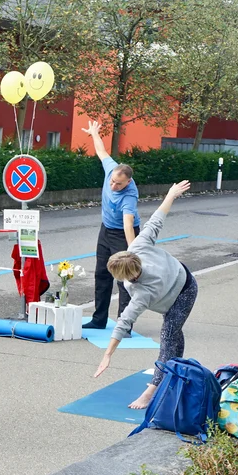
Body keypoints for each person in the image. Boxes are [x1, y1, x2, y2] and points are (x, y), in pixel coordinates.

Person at [93, 181, 195, 409]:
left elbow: (124, 321)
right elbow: (158, 218)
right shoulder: (138, 246)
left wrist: (108, 354)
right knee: (174, 337)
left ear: (125, 277)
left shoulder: (141, 292)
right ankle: (174, 373)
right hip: (174, 278)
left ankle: (151, 391)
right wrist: (170, 194)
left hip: (185, 289)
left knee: (168, 334)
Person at [81, 120, 141, 333]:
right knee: (101, 273)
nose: (113, 186)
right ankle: (99, 319)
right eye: (113, 182)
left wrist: (132, 251)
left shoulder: (129, 197)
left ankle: (124, 325)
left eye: (118, 184)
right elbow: (101, 151)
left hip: (124, 235)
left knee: (124, 279)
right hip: (106, 229)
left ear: (127, 182)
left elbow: (128, 225)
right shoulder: (111, 170)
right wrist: (94, 133)